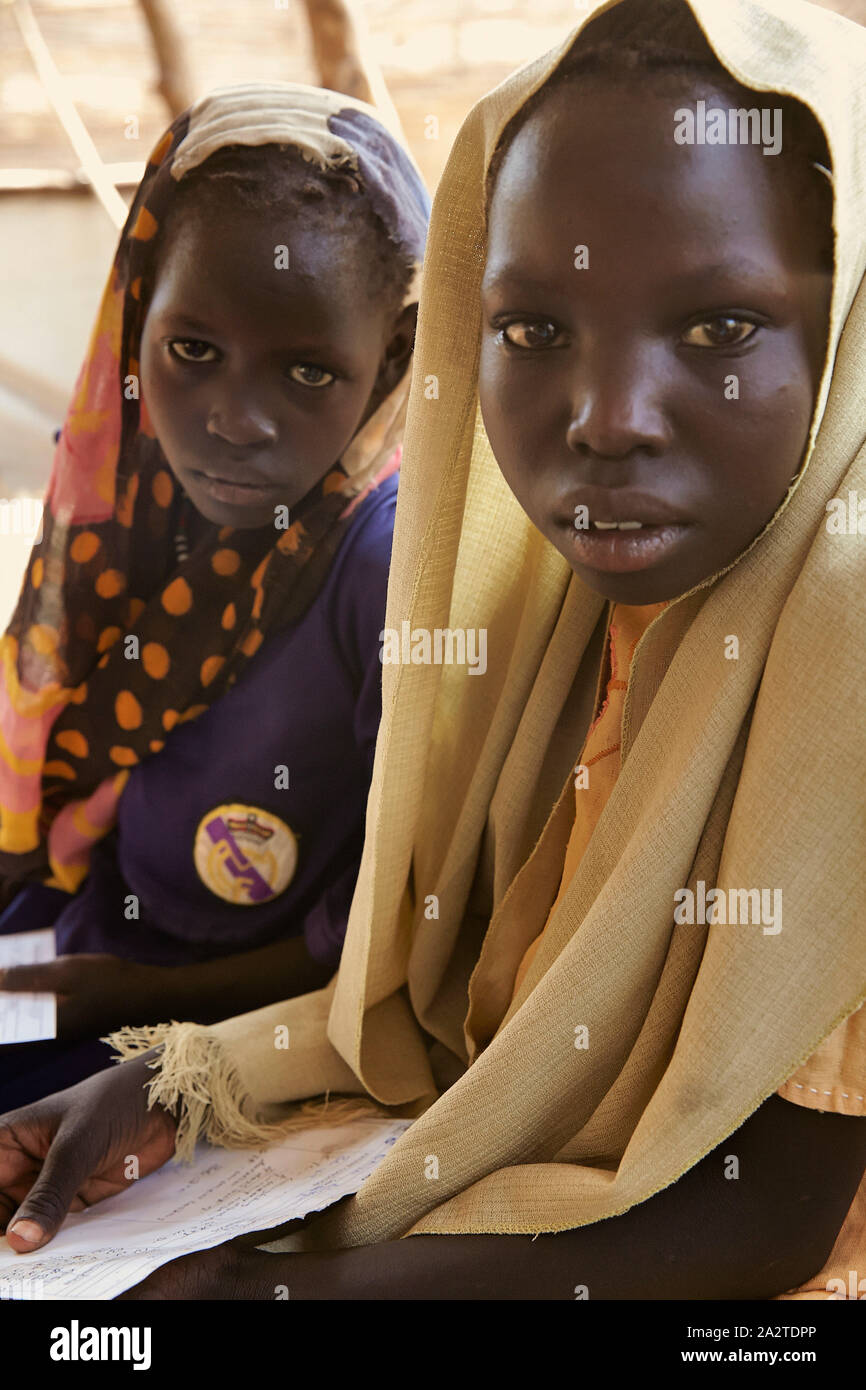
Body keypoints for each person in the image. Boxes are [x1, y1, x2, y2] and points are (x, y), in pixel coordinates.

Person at [1, 0, 865, 1301]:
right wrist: (175, 1078)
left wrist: (293, 1293)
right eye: (532, 331)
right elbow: (441, 1006)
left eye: (719, 329)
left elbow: (771, 1217)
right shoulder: (562, 601)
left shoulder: (839, 626)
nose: (607, 420)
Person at [0, 82, 429, 1109]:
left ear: (393, 359)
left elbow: (386, 926)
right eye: (192, 353)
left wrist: (147, 993)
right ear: (137, 316)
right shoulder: (125, 491)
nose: (234, 420)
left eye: (308, 372)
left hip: (212, 1025)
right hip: (79, 938)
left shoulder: (381, 566)